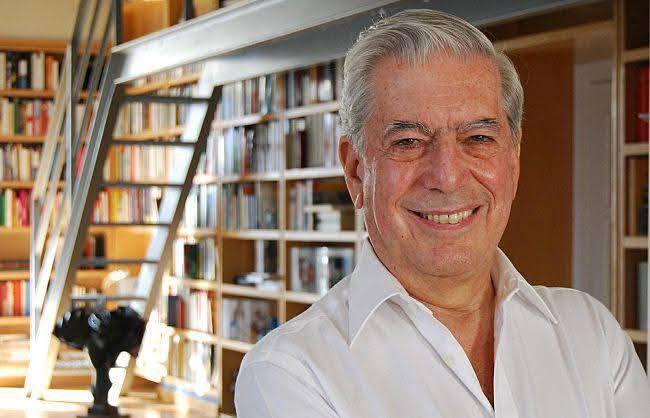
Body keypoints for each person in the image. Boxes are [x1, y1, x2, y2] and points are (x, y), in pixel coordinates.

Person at [234, 9, 650, 417]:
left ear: (513, 159)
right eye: (408, 142)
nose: (447, 177)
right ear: (356, 171)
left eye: (479, 138)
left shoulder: (593, 335)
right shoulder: (290, 372)